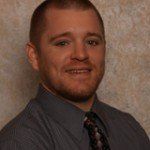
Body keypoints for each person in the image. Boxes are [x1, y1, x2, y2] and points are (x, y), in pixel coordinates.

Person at [0, 0, 149, 149]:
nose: (81, 54)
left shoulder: (130, 128)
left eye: (91, 42)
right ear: (34, 56)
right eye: (63, 43)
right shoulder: (18, 143)